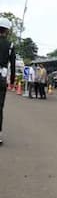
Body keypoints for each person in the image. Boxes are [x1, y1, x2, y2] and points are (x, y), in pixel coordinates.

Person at [0, 17, 16, 145]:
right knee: (0, 107)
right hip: (1, 77)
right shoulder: (10, 45)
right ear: (7, 31)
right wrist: (12, 81)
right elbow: (13, 65)